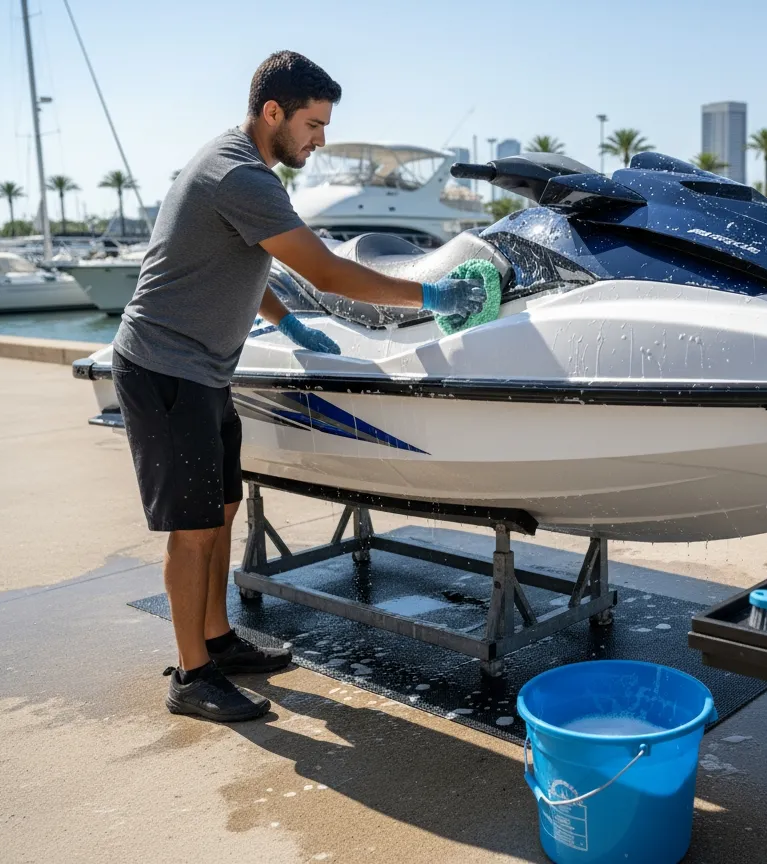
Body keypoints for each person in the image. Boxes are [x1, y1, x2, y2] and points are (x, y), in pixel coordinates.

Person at [112, 51, 485, 722]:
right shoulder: (242, 175)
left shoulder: (239, 164)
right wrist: (432, 293)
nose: (320, 140)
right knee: (192, 531)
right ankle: (191, 676)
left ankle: (217, 639)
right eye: (313, 125)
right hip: (165, 371)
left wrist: (286, 322)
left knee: (221, 512)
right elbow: (332, 275)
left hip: (201, 370)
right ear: (273, 112)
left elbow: (231, 261)